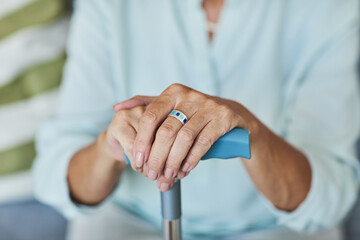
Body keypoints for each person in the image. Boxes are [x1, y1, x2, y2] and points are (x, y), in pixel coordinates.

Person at [33, 0, 360, 239]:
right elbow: (54, 175)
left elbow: (330, 195)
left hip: (274, 229)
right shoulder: (109, 6)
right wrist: (110, 148)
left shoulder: (330, 11)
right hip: (129, 224)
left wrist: (253, 134)